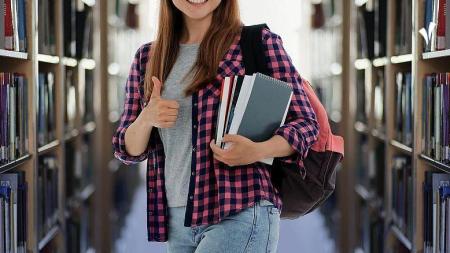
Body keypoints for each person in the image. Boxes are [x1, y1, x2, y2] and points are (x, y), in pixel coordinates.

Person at [112, 0, 319, 252]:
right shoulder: (148, 57)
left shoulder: (258, 43)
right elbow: (127, 150)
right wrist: (146, 118)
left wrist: (258, 150)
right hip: (177, 220)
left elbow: (306, 124)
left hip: (239, 208)